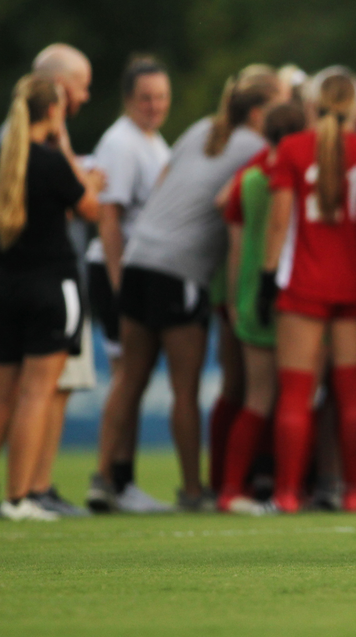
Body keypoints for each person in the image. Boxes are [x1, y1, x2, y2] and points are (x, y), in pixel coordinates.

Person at [92, 68, 284, 511]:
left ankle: (103, 479)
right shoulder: (256, 147)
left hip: (140, 258)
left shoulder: (202, 128)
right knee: (184, 386)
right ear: (259, 112)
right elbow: (226, 203)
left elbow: (163, 184)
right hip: (180, 270)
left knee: (129, 378)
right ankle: (193, 492)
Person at [0, 75, 102, 520]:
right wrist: (78, 165)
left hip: (4, 288)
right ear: (53, 111)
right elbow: (90, 207)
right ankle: (19, 498)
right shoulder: (53, 162)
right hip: (53, 287)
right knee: (37, 393)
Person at [260, 71, 356, 514]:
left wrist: (266, 278)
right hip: (354, 284)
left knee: (294, 392)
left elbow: (278, 223)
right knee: (352, 393)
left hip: (304, 282)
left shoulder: (292, 149)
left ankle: (287, 494)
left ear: (311, 106)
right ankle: (351, 493)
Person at [83, 55, 172, 514]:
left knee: (133, 378)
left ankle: (120, 479)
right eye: (145, 98)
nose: (154, 106)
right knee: (127, 377)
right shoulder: (120, 143)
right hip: (116, 270)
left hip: (138, 271)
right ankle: (110, 478)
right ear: (128, 100)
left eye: (160, 97)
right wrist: (120, 285)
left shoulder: (151, 140)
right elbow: (109, 216)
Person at [217, 101, 306, 513]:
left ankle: (231, 488)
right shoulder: (300, 178)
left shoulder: (248, 179)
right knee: (300, 397)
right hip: (292, 296)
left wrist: (235, 300)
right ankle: (291, 490)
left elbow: (235, 248)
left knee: (257, 397)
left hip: (252, 296)